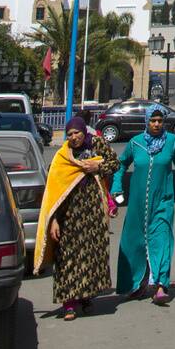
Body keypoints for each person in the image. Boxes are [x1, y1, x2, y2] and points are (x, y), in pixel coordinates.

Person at [33, 111, 119, 318]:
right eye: (69, 134)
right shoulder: (63, 156)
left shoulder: (96, 145)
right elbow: (54, 192)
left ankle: (86, 297)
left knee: (90, 256)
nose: (73, 137)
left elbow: (115, 163)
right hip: (68, 217)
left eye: (76, 133)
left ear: (83, 131)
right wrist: (53, 220)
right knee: (67, 259)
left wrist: (98, 166)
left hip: (92, 214)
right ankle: (69, 304)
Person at [111, 104, 175, 306]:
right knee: (133, 243)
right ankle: (137, 284)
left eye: (160, 121)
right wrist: (117, 186)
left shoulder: (171, 142)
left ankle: (161, 285)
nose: (156, 124)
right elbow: (121, 164)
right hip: (137, 205)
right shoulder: (135, 144)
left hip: (162, 201)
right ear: (147, 121)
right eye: (153, 121)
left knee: (162, 240)